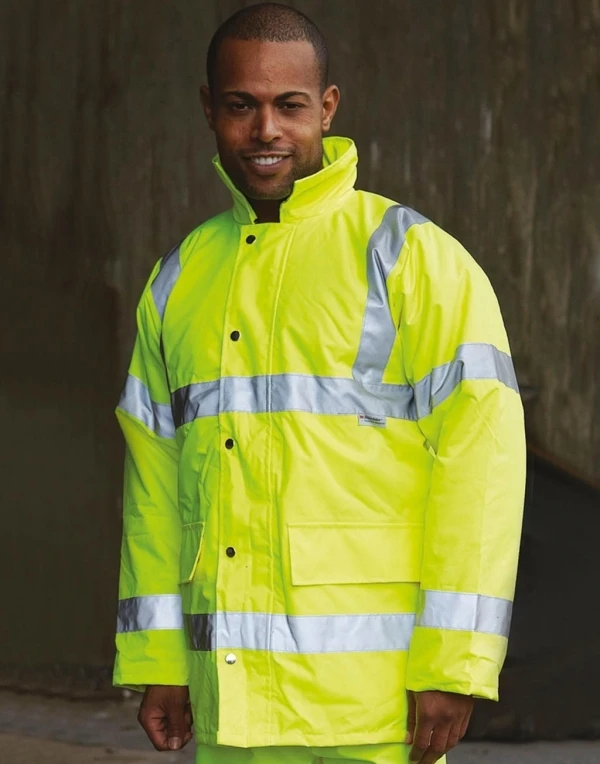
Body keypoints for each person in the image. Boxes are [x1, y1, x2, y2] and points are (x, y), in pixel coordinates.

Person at [113, 4, 526, 763]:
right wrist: (160, 661)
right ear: (209, 109)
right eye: (241, 105)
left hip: (374, 715)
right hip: (233, 713)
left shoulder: (410, 258)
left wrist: (454, 663)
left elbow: (482, 466)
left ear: (327, 108)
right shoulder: (178, 280)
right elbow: (154, 491)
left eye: (290, 105)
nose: (265, 129)